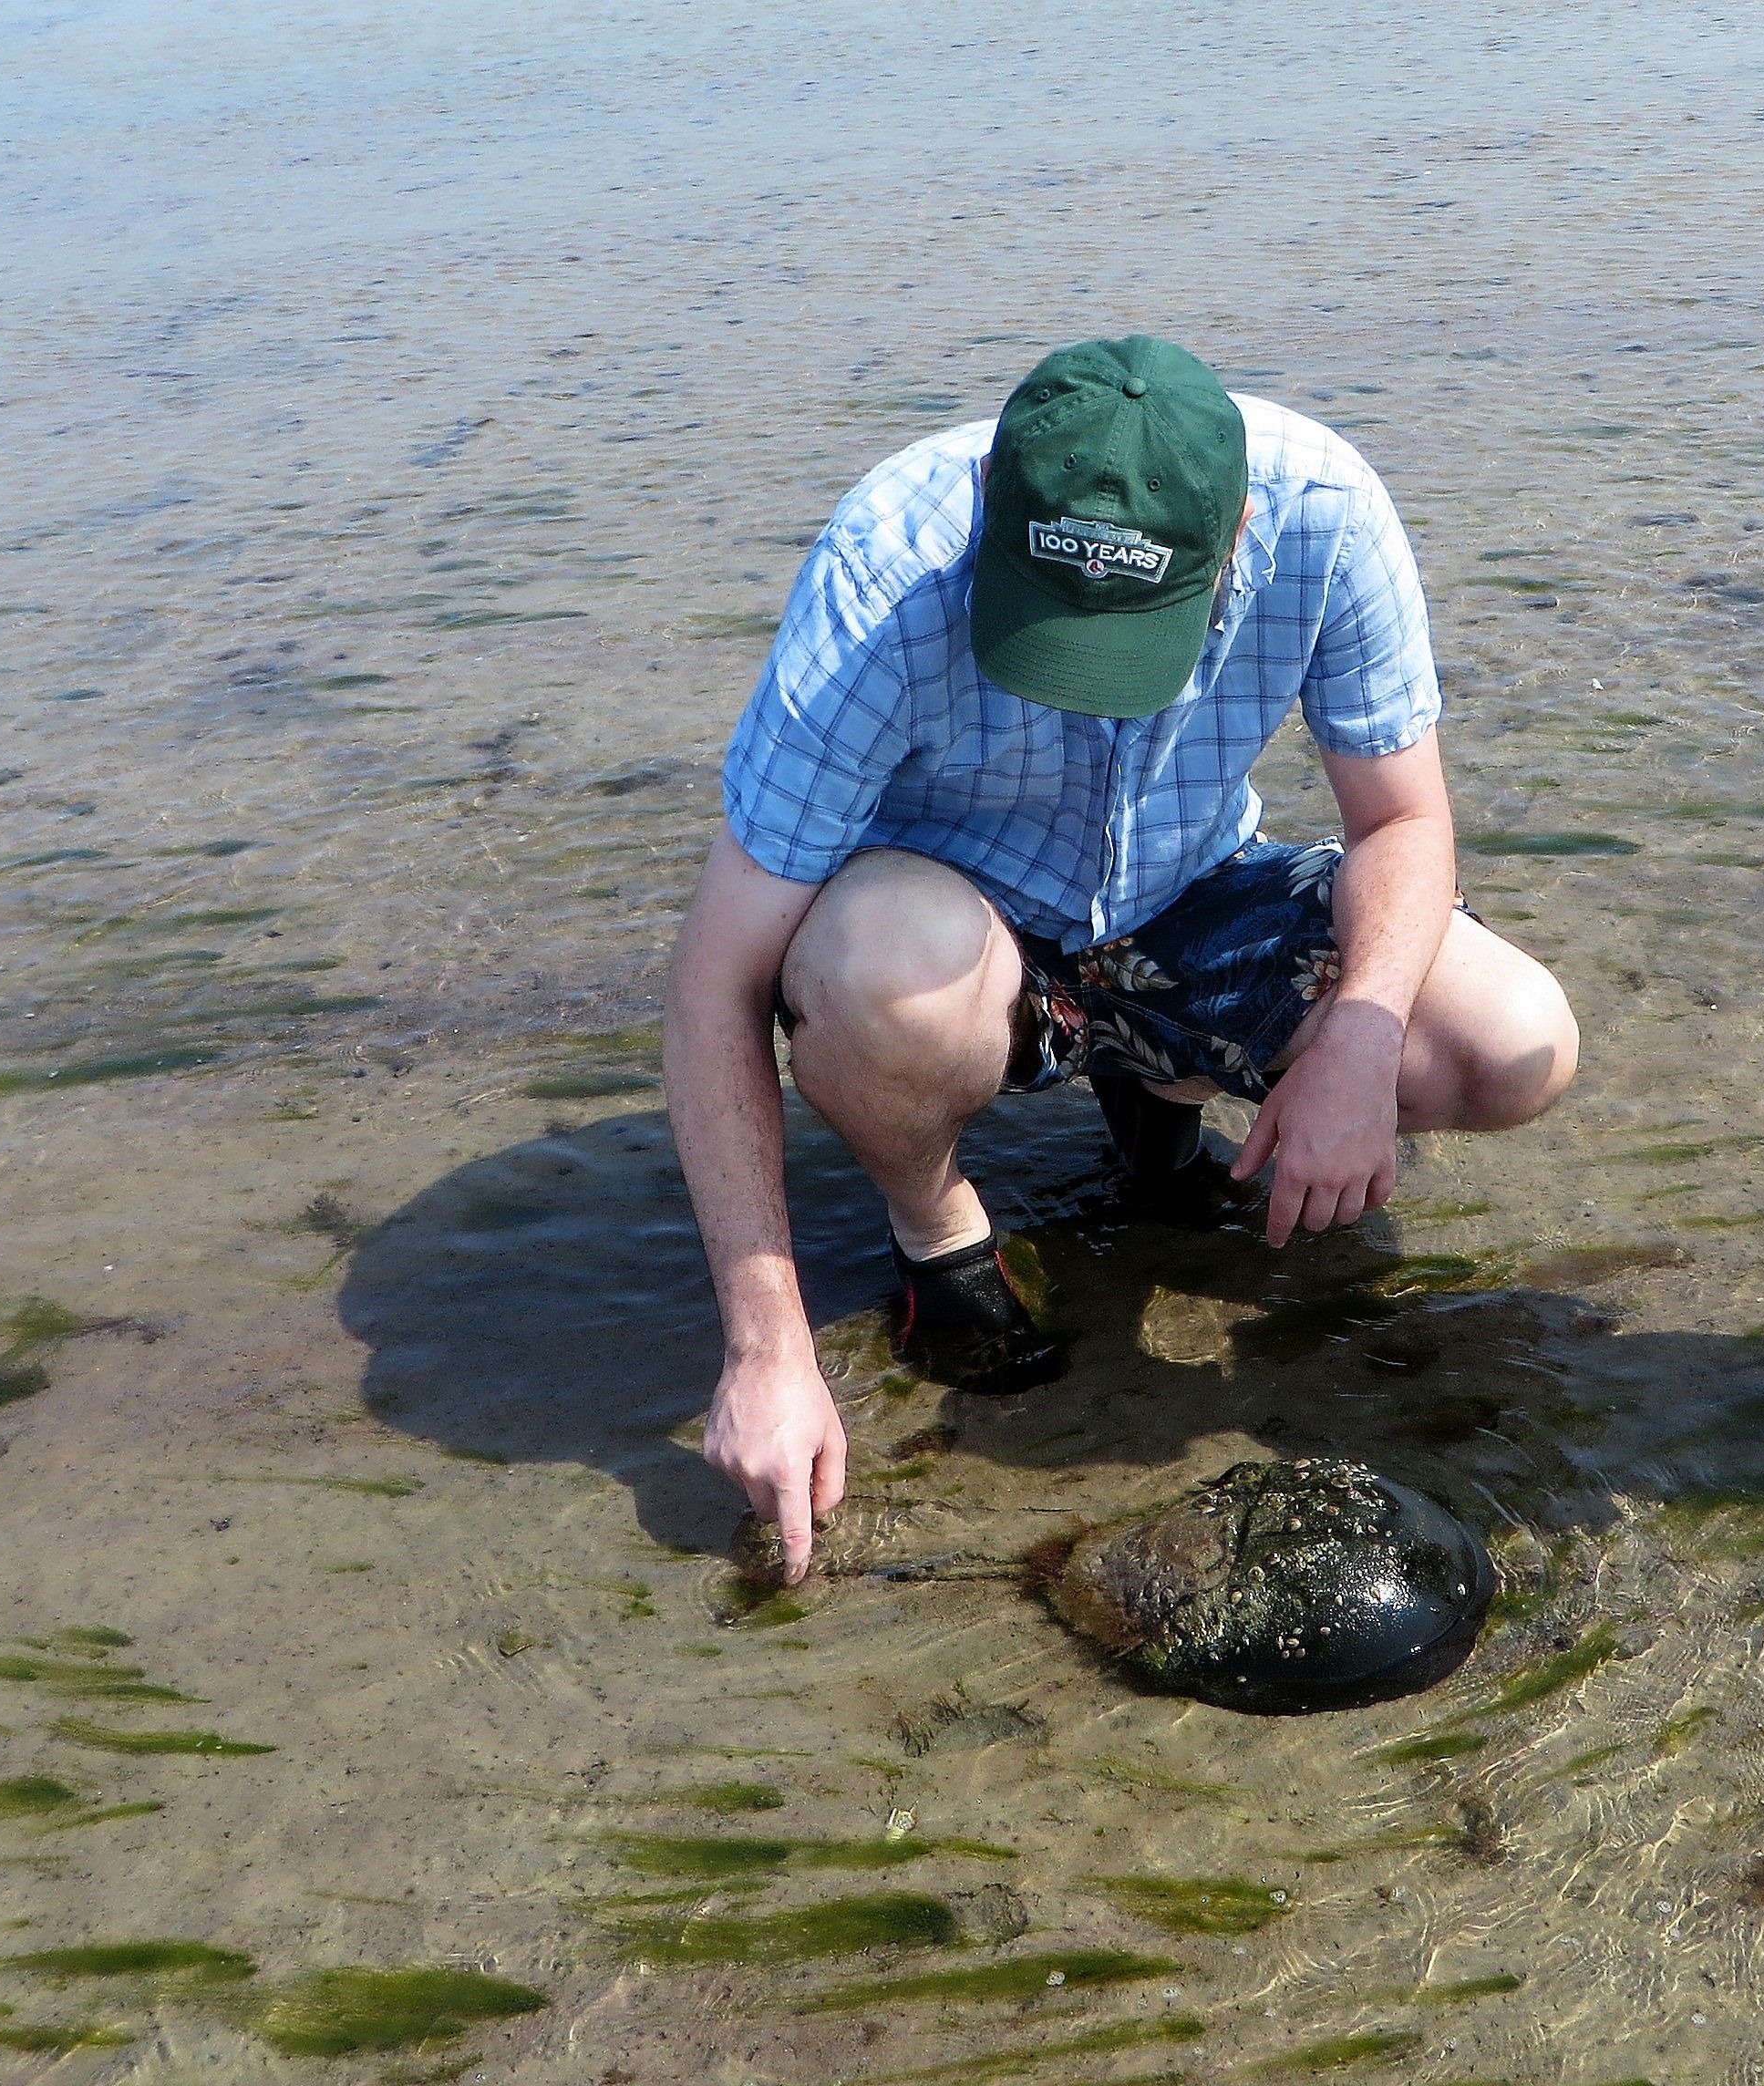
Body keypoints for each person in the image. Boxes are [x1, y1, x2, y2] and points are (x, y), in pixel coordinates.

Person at [665, 336, 1579, 1581]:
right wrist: (766, 1348)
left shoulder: (1325, 510)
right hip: (955, 927)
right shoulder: (886, 565)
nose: (1091, 691)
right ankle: (937, 1230)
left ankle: (1156, 1090)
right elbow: (713, 983)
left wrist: (1359, 1042)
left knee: (1514, 1043)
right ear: (989, 498)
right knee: (877, 961)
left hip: (1190, 887)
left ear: (1239, 532)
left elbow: (1404, 822)